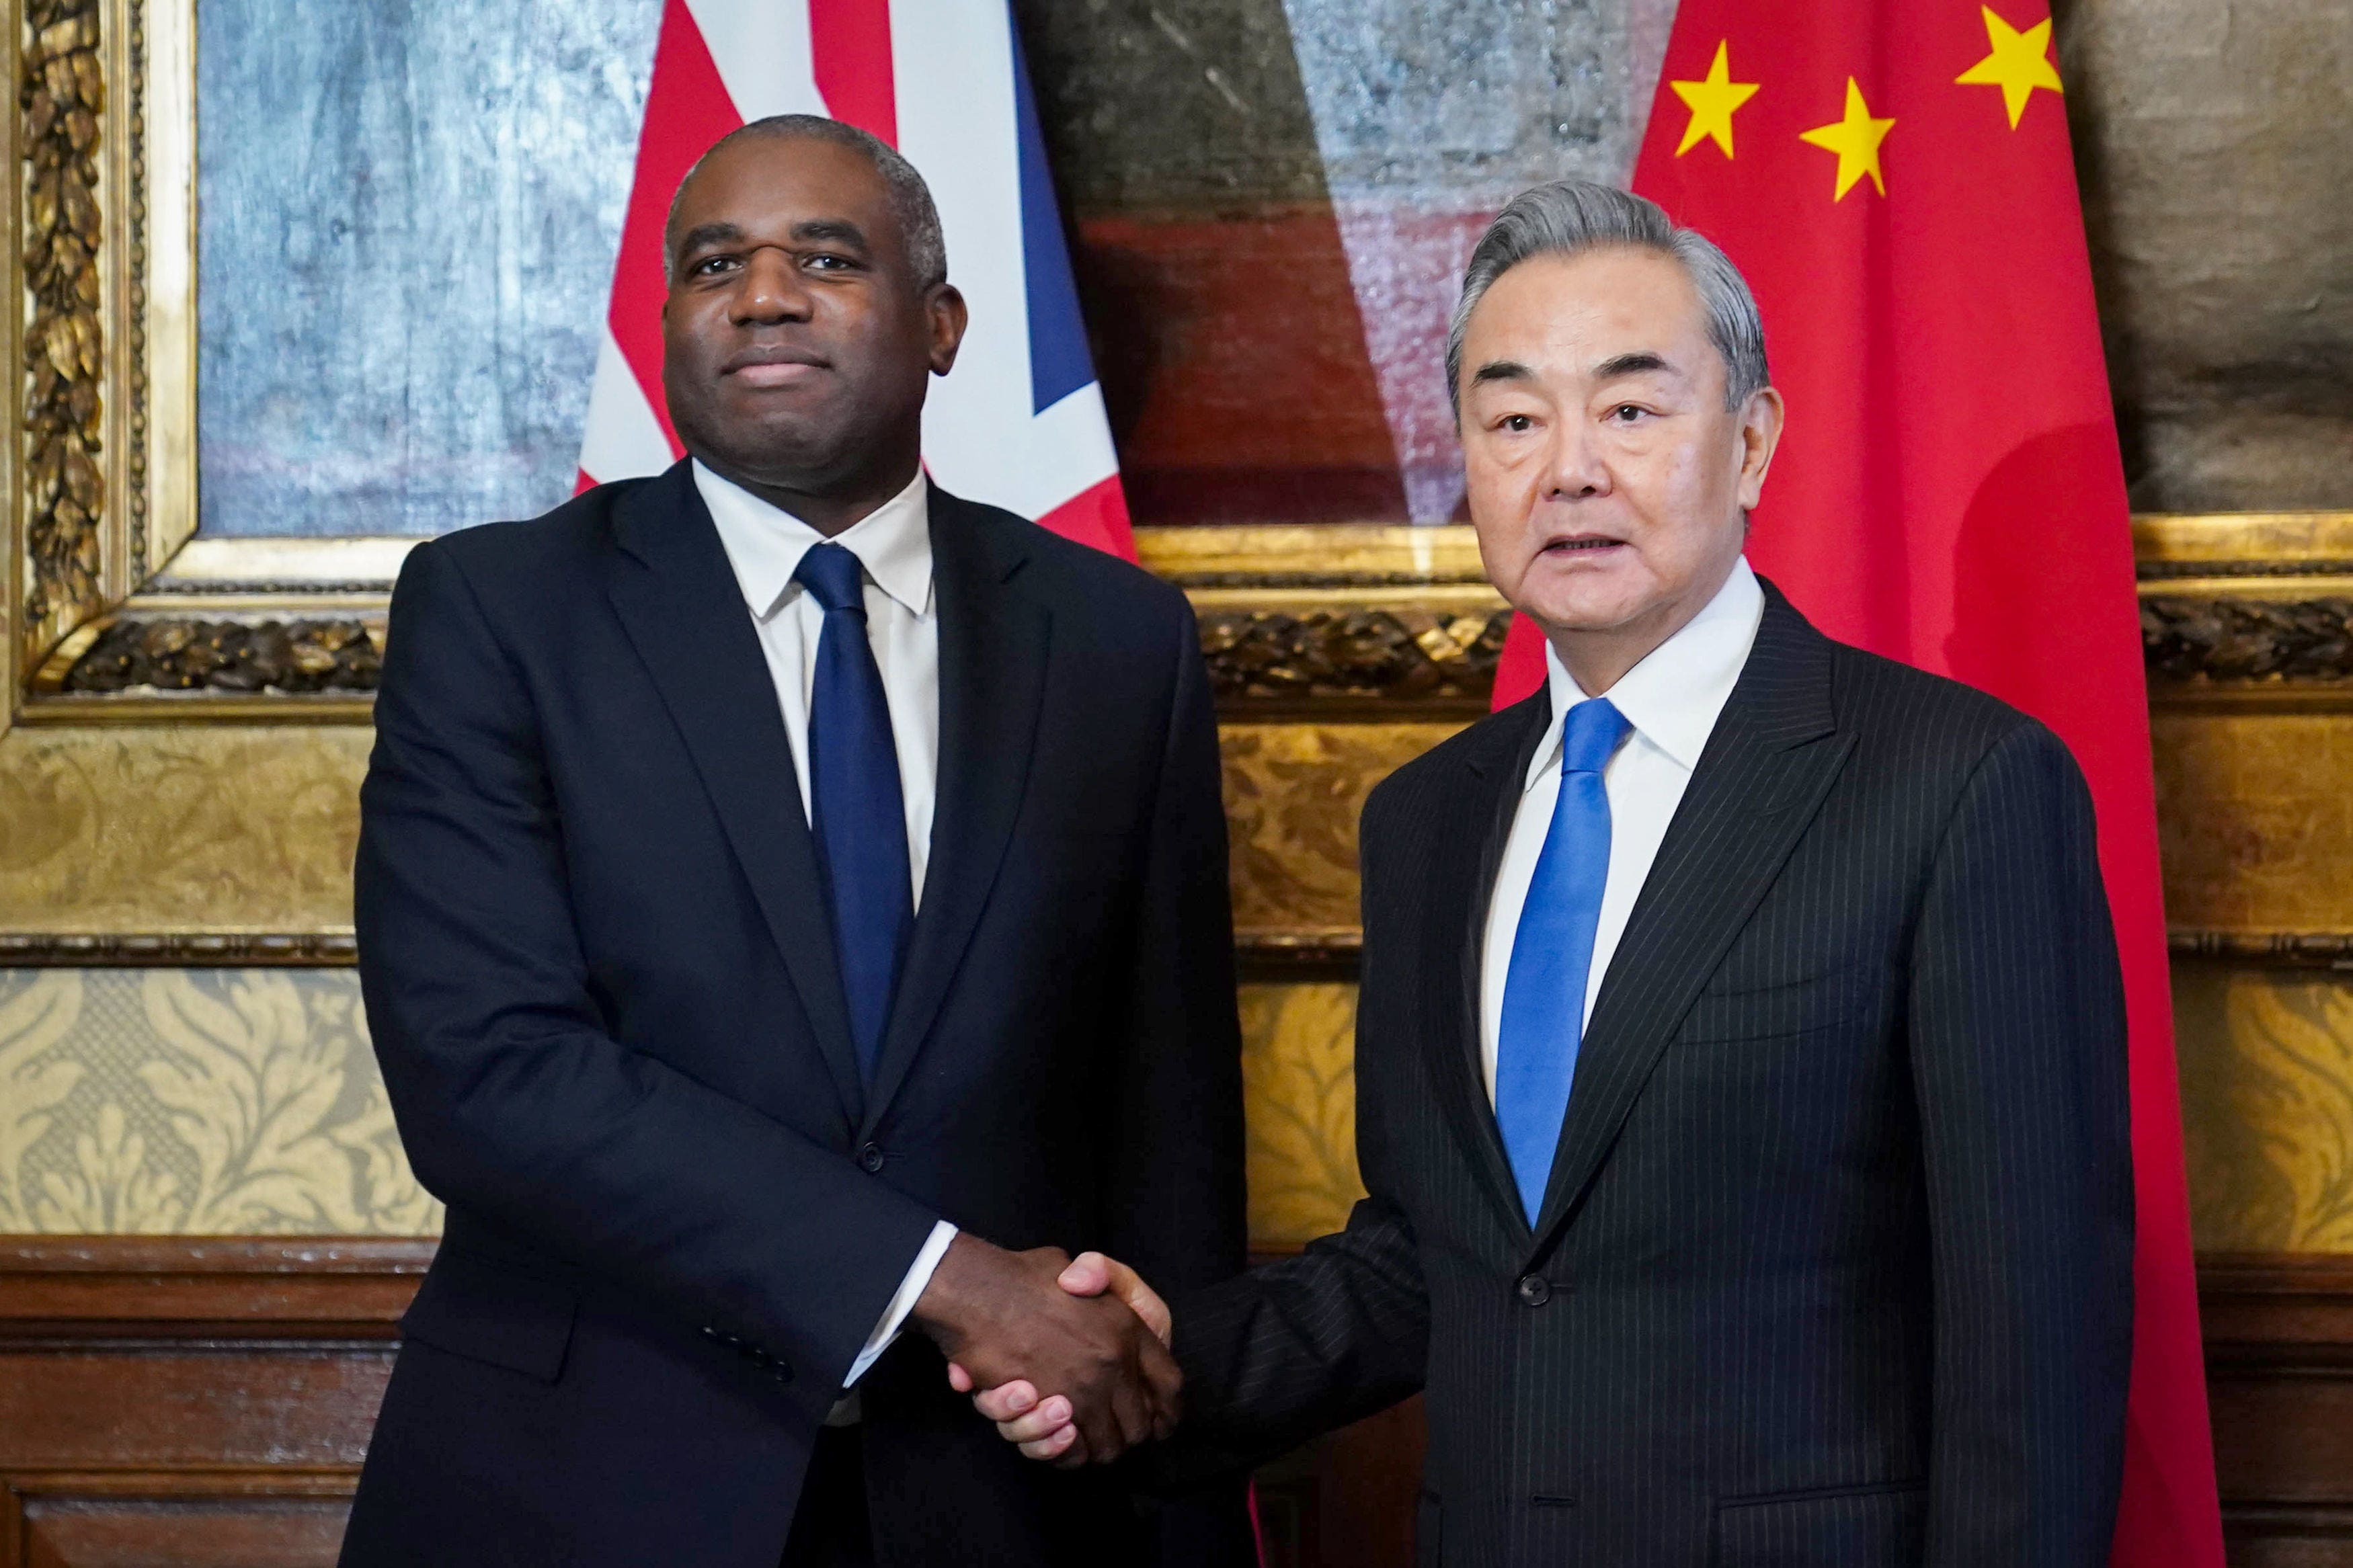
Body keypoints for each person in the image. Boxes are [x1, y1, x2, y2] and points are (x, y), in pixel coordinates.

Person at [974, 179, 2135, 1565]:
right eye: (1515, 418)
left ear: (1751, 442)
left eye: (1632, 410)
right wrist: (1169, 1357)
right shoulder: (1430, 821)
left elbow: (2033, 1340)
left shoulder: (1956, 785)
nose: (1569, 469)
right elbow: (1445, 1260)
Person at [342, 116, 1250, 1568]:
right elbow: (489, 1074)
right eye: (716, 264)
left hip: (1006, 1501)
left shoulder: (1111, 642)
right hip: (588, 1488)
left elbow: (1169, 1125)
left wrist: (1181, 1489)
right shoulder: (498, 614)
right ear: (665, 334)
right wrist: (940, 1277)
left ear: (941, 326)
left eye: (826, 258)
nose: (764, 295)